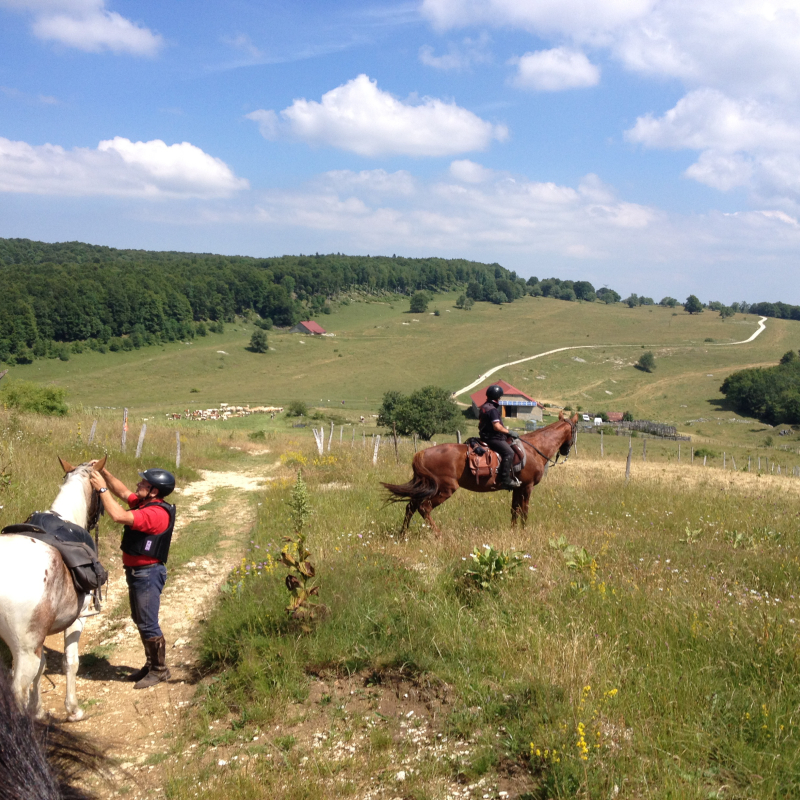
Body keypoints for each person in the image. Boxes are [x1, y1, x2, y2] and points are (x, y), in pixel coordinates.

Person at [89, 464, 176, 689]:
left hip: (147, 575)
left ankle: (160, 670)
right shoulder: (146, 502)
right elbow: (123, 492)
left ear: (154, 491)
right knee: (140, 621)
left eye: (144, 483)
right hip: (138, 573)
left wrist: (101, 490)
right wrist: (105, 473)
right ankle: (151, 664)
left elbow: (118, 516)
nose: (138, 485)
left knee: (148, 624)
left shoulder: (155, 513)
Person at [478, 384, 521, 490]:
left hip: (484, 436)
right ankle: (505, 480)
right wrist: (509, 432)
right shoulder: (492, 410)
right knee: (509, 452)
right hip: (494, 438)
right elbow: (497, 426)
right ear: (497, 397)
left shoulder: (484, 406)